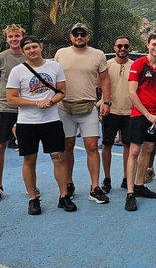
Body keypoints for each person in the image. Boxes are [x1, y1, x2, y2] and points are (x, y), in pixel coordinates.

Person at [6, 35, 75, 215]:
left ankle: (64, 196)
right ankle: (33, 199)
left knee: (59, 157)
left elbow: (62, 91)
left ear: (41, 47)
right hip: (27, 122)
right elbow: (11, 98)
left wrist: (51, 101)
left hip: (51, 121)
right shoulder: (17, 71)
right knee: (29, 159)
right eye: (28, 48)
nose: (32, 51)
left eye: (35, 47)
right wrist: (36, 103)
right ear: (22, 51)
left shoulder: (54, 67)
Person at [54, 23, 111, 205]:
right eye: (76, 34)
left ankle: (95, 187)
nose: (79, 37)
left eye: (83, 34)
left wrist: (106, 101)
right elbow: (53, 78)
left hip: (88, 108)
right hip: (64, 108)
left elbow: (105, 79)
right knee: (67, 147)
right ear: (71, 37)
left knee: (92, 147)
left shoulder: (98, 54)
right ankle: (69, 184)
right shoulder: (60, 54)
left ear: (88, 36)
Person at [124, 33, 156, 211]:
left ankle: (139, 185)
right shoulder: (138, 64)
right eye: (154, 44)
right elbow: (132, 93)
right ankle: (130, 193)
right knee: (135, 150)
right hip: (141, 114)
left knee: (148, 148)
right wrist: (147, 115)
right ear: (148, 45)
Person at [0, 24, 27, 203]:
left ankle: (31, 185)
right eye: (10, 36)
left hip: (27, 109)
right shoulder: (0, 59)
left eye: (17, 36)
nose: (14, 39)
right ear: (7, 39)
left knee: (28, 148)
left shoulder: (30, 56)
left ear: (22, 37)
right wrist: (5, 99)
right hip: (4, 109)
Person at [101, 37, 133, 194]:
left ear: (129, 48)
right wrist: (102, 103)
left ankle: (127, 177)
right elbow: (98, 85)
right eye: (119, 45)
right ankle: (107, 178)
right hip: (110, 111)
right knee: (107, 145)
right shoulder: (106, 66)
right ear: (114, 47)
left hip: (129, 112)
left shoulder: (134, 66)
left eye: (126, 46)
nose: (123, 48)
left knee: (128, 145)